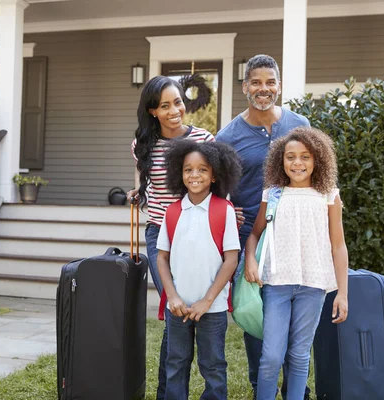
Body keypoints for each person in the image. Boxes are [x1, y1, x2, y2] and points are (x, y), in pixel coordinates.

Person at [216, 54, 311, 399]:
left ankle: (297, 384)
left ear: (279, 86)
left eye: (270, 82)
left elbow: (316, 177)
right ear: (244, 87)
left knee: (297, 307)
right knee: (258, 311)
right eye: (256, 82)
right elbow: (215, 187)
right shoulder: (228, 135)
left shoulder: (300, 124)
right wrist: (229, 209)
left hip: (295, 235)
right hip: (251, 237)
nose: (263, 89)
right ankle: (262, 385)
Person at [245, 127, 349, 400]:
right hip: (276, 283)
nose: (297, 163)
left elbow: (338, 245)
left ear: (318, 160)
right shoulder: (274, 194)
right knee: (271, 356)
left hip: (313, 284)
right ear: (281, 160)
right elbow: (254, 234)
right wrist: (249, 261)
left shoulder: (328, 195)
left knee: (300, 354)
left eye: (305, 156)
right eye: (290, 156)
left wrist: (342, 293)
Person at [127, 75, 214, 400]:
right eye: (165, 105)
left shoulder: (203, 139)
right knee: (175, 308)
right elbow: (147, 177)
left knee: (181, 317)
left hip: (196, 233)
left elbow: (212, 184)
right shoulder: (142, 145)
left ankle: (171, 391)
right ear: (152, 111)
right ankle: (170, 392)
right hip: (159, 234)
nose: (174, 110)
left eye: (177, 102)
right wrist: (139, 191)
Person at [156, 140, 242, 400]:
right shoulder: (172, 212)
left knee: (213, 366)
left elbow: (231, 260)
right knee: (175, 364)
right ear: (179, 174)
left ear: (215, 175)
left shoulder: (224, 210)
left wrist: (207, 300)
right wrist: (172, 297)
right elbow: (161, 258)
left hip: (212, 308)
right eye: (188, 169)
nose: (194, 175)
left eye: (202, 170)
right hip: (178, 307)